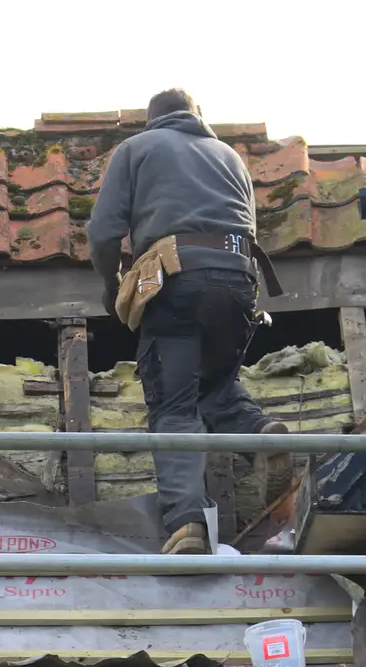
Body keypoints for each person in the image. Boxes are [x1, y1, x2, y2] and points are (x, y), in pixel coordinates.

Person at [87, 88, 287, 554]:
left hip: (176, 279)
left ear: (151, 121)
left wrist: (111, 280)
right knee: (214, 387)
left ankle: (187, 527)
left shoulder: (136, 149)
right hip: (239, 280)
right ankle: (259, 433)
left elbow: (101, 231)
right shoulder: (230, 157)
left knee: (173, 405)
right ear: (197, 117)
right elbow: (248, 229)